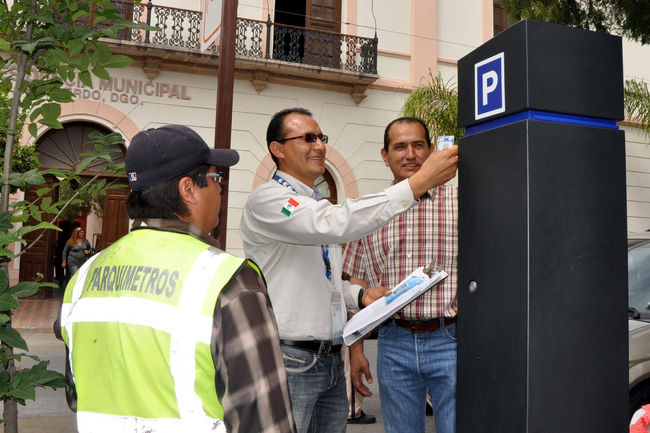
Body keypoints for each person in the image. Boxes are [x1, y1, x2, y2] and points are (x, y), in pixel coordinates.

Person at [59, 124, 296, 433]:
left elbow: (76, 395)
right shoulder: (228, 280)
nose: (220, 189)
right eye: (215, 178)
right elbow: (265, 421)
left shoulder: (85, 277)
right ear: (188, 189)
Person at [239, 108, 458, 433]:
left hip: (330, 359)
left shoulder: (316, 203)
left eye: (321, 138)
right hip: (293, 358)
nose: (319, 146)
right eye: (307, 138)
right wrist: (418, 184)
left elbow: (324, 280)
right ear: (278, 149)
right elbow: (334, 222)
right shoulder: (271, 201)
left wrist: (359, 294)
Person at [343, 117, 458, 433]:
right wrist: (356, 350)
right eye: (400, 147)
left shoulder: (461, 203)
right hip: (394, 343)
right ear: (385, 155)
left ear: (431, 150)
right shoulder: (370, 212)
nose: (410, 154)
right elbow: (357, 284)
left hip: (451, 339)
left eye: (418, 145)